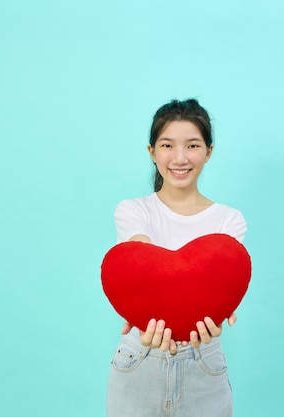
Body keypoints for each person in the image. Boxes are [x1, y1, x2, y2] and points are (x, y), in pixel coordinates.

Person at [106, 99, 247, 417]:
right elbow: (138, 249)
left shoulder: (230, 220)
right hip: (139, 356)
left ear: (208, 152)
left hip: (204, 360)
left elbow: (225, 276)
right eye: (167, 145)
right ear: (151, 151)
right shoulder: (132, 210)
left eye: (193, 145)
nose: (180, 158)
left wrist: (218, 309)